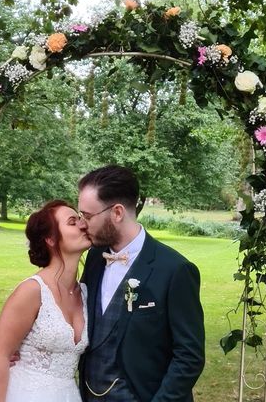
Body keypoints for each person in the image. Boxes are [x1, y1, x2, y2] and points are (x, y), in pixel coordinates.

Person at [77, 165, 205, 402]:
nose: (83, 224)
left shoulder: (175, 270)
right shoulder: (94, 258)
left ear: (117, 213)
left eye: (87, 216)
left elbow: (189, 356)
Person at [0, 200, 92, 402]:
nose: (83, 224)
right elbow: (0, 356)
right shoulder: (33, 290)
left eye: (80, 219)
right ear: (50, 239)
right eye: (72, 222)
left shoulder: (85, 292)